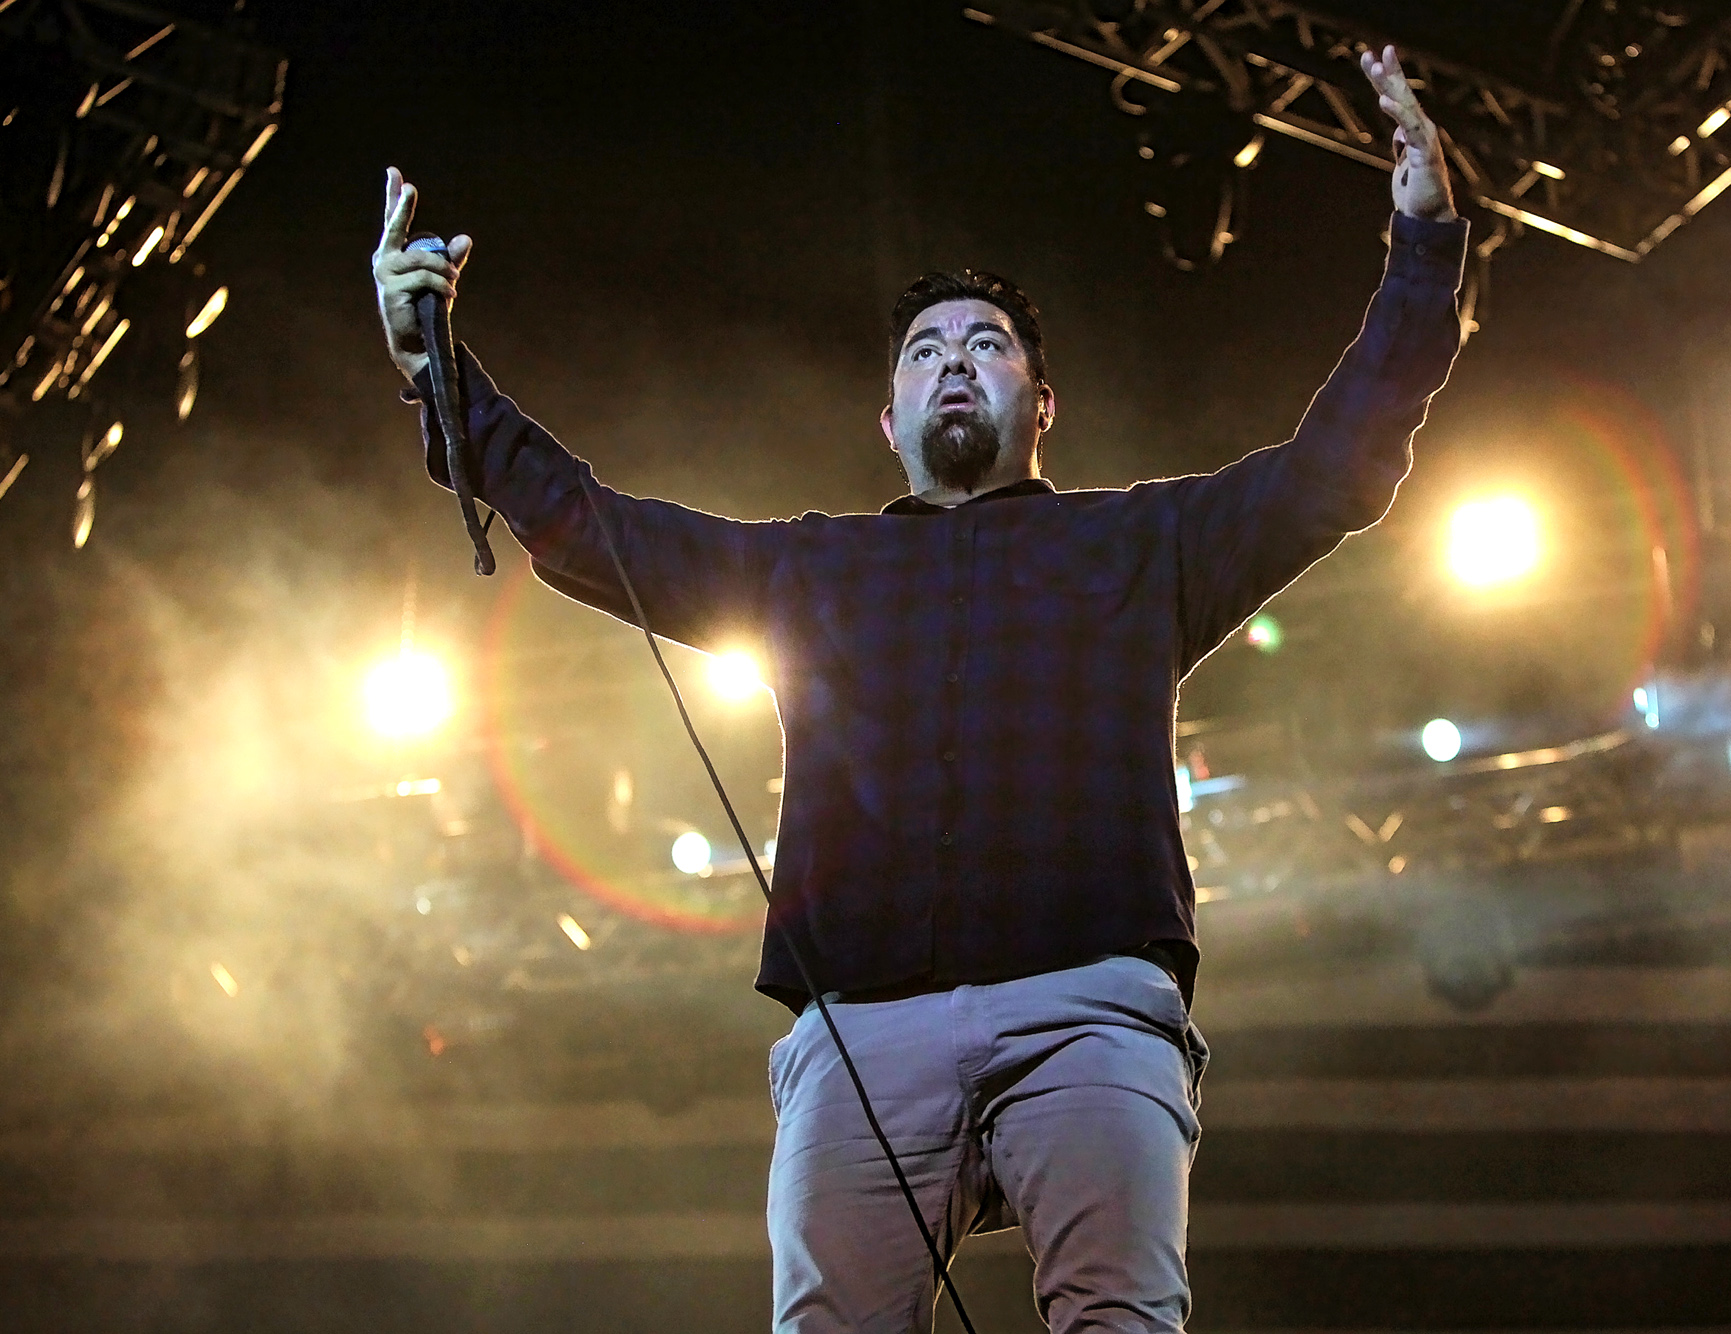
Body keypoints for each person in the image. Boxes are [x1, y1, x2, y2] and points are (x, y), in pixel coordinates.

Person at [372, 44, 1465, 1334]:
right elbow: (589, 525)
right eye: (925, 350)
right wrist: (437, 370)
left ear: (1040, 403)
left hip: (1090, 1005)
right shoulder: (810, 568)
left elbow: (1338, 460)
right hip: (865, 1028)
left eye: (987, 345)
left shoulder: (1142, 543)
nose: (955, 361)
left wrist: (1423, 242)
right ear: (889, 420)